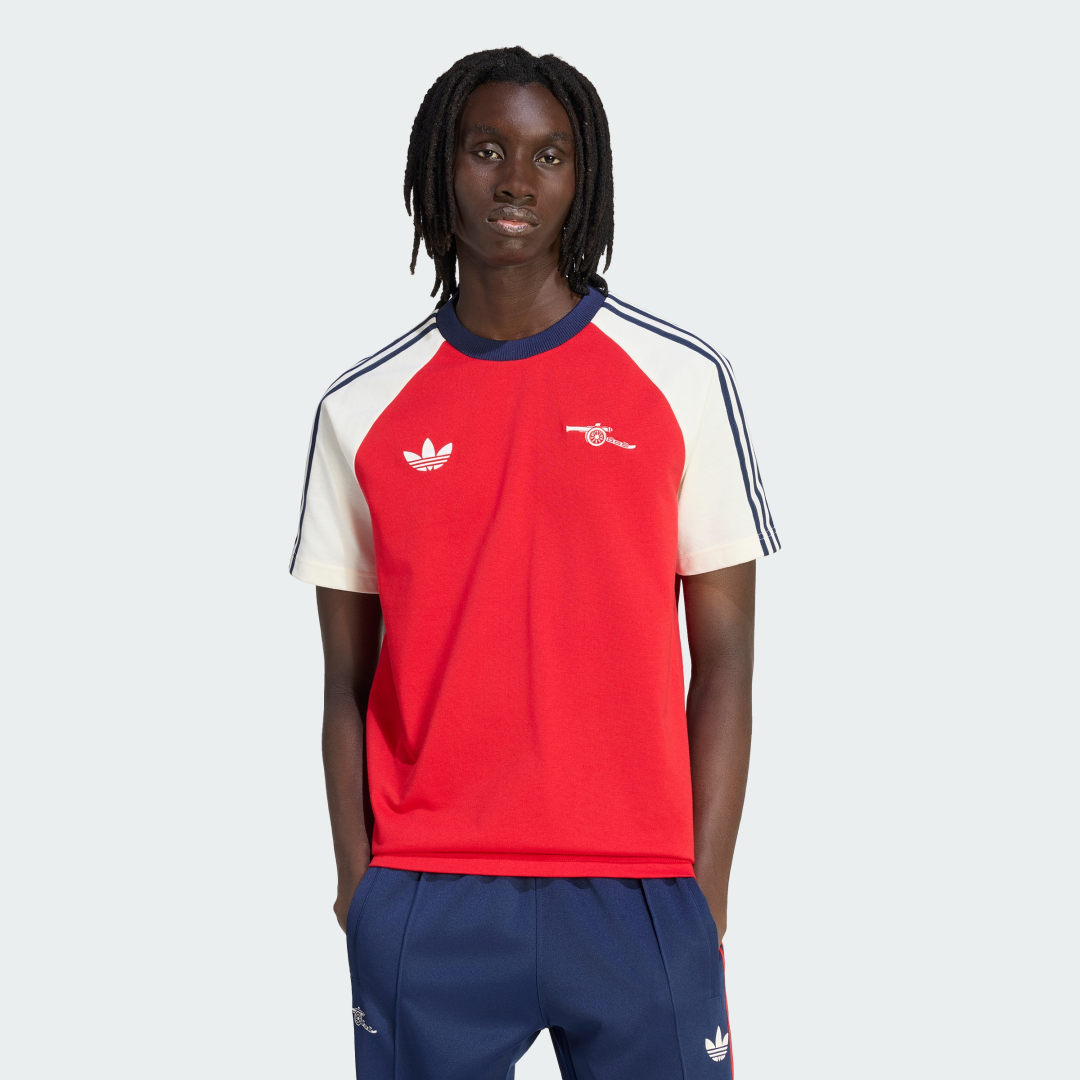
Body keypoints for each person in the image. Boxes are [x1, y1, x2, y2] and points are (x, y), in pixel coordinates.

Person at [288, 45, 780, 1080]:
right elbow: (344, 680)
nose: (516, 180)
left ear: (583, 176)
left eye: (549, 155)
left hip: (640, 892)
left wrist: (703, 893)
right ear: (439, 168)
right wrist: (359, 887)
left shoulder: (681, 380)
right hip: (429, 891)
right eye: (487, 150)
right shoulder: (360, 408)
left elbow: (727, 659)